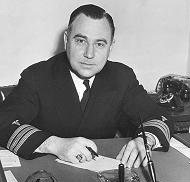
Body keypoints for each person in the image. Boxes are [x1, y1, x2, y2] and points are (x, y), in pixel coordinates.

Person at [0, 4, 173, 168]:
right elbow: (3, 122)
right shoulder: (37, 76)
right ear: (67, 39)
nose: (89, 54)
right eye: (81, 41)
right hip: (47, 173)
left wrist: (146, 139)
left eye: (99, 44)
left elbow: (159, 117)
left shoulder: (121, 77)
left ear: (110, 46)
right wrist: (54, 144)